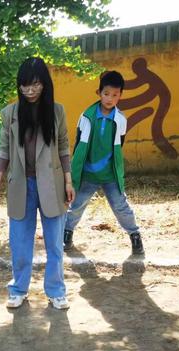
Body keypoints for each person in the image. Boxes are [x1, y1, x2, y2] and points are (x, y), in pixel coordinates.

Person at [0, 57, 74, 310]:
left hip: (53, 185)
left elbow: (64, 147)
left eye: (35, 84)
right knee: (20, 244)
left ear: (44, 84)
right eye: (24, 85)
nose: (29, 90)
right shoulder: (10, 114)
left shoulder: (57, 111)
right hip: (20, 186)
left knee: (55, 245)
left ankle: (56, 291)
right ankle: (18, 289)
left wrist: (68, 182)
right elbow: (4, 150)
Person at [63, 71, 144, 255]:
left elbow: (119, 145)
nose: (110, 98)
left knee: (120, 205)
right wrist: (75, 173)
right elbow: (79, 144)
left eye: (115, 95)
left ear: (120, 95)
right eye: (106, 94)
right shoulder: (86, 116)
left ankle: (135, 235)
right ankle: (66, 233)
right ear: (99, 92)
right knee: (76, 205)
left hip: (109, 175)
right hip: (88, 173)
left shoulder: (121, 119)